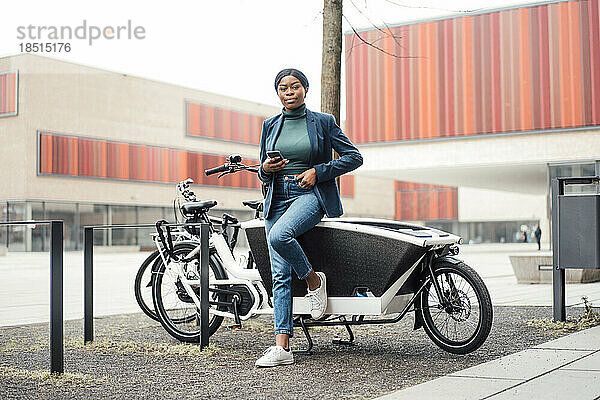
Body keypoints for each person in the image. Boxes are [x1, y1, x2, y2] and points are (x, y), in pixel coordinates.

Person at [255, 68, 363, 367]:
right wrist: (267, 168)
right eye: (282, 88)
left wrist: (319, 171)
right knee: (279, 275)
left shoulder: (323, 122)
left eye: (294, 87)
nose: (288, 92)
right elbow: (262, 173)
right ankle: (282, 347)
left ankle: (314, 281)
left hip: (308, 196)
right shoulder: (269, 125)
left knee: (279, 236)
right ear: (277, 93)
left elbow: (353, 156)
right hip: (277, 198)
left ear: (305, 89)